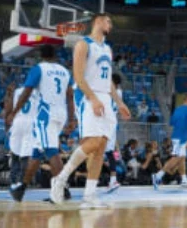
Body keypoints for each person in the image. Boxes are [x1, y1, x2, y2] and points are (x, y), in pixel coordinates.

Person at [49, 13, 131, 208]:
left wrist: (119, 102)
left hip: (104, 96)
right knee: (93, 142)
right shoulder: (83, 44)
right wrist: (93, 99)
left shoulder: (108, 49)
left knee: (101, 147)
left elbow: (108, 79)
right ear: (98, 21)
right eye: (108, 21)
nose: (111, 24)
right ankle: (60, 179)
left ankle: (89, 195)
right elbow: (77, 76)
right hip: (87, 96)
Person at [8, 44, 75, 202]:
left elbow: (26, 92)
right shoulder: (65, 71)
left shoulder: (39, 69)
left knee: (51, 151)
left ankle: (63, 190)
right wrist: (72, 119)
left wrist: (15, 111)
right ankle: (21, 189)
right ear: (55, 56)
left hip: (46, 114)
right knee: (37, 152)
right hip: (61, 113)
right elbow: (70, 96)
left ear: (41, 56)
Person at [153, 94, 187, 189]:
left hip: (176, 136)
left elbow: (171, 122)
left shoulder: (177, 109)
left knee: (182, 158)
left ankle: (184, 179)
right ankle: (158, 175)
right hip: (181, 137)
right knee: (177, 158)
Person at [4, 82, 37, 195]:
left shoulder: (17, 91)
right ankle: (20, 183)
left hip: (17, 121)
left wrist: (7, 123)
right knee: (25, 155)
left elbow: (8, 107)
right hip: (30, 123)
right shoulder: (38, 92)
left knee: (15, 153)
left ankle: (13, 182)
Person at [104, 72, 124, 193]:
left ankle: (112, 180)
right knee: (109, 152)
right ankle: (113, 179)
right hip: (112, 122)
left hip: (106, 122)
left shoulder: (109, 91)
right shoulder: (119, 92)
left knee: (105, 151)